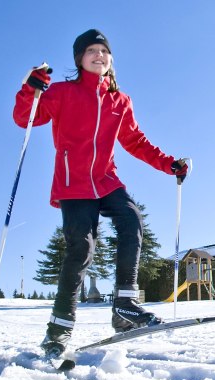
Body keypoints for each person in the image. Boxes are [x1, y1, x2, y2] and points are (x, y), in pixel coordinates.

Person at [13, 29, 188, 357]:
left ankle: (124, 305)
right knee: (81, 249)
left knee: (131, 218)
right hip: (73, 183)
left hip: (106, 179)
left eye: (104, 51)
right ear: (79, 59)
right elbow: (25, 118)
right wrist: (31, 89)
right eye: (91, 51)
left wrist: (169, 165)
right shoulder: (62, 92)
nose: (99, 56)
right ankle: (59, 329)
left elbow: (135, 141)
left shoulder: (119, 101)